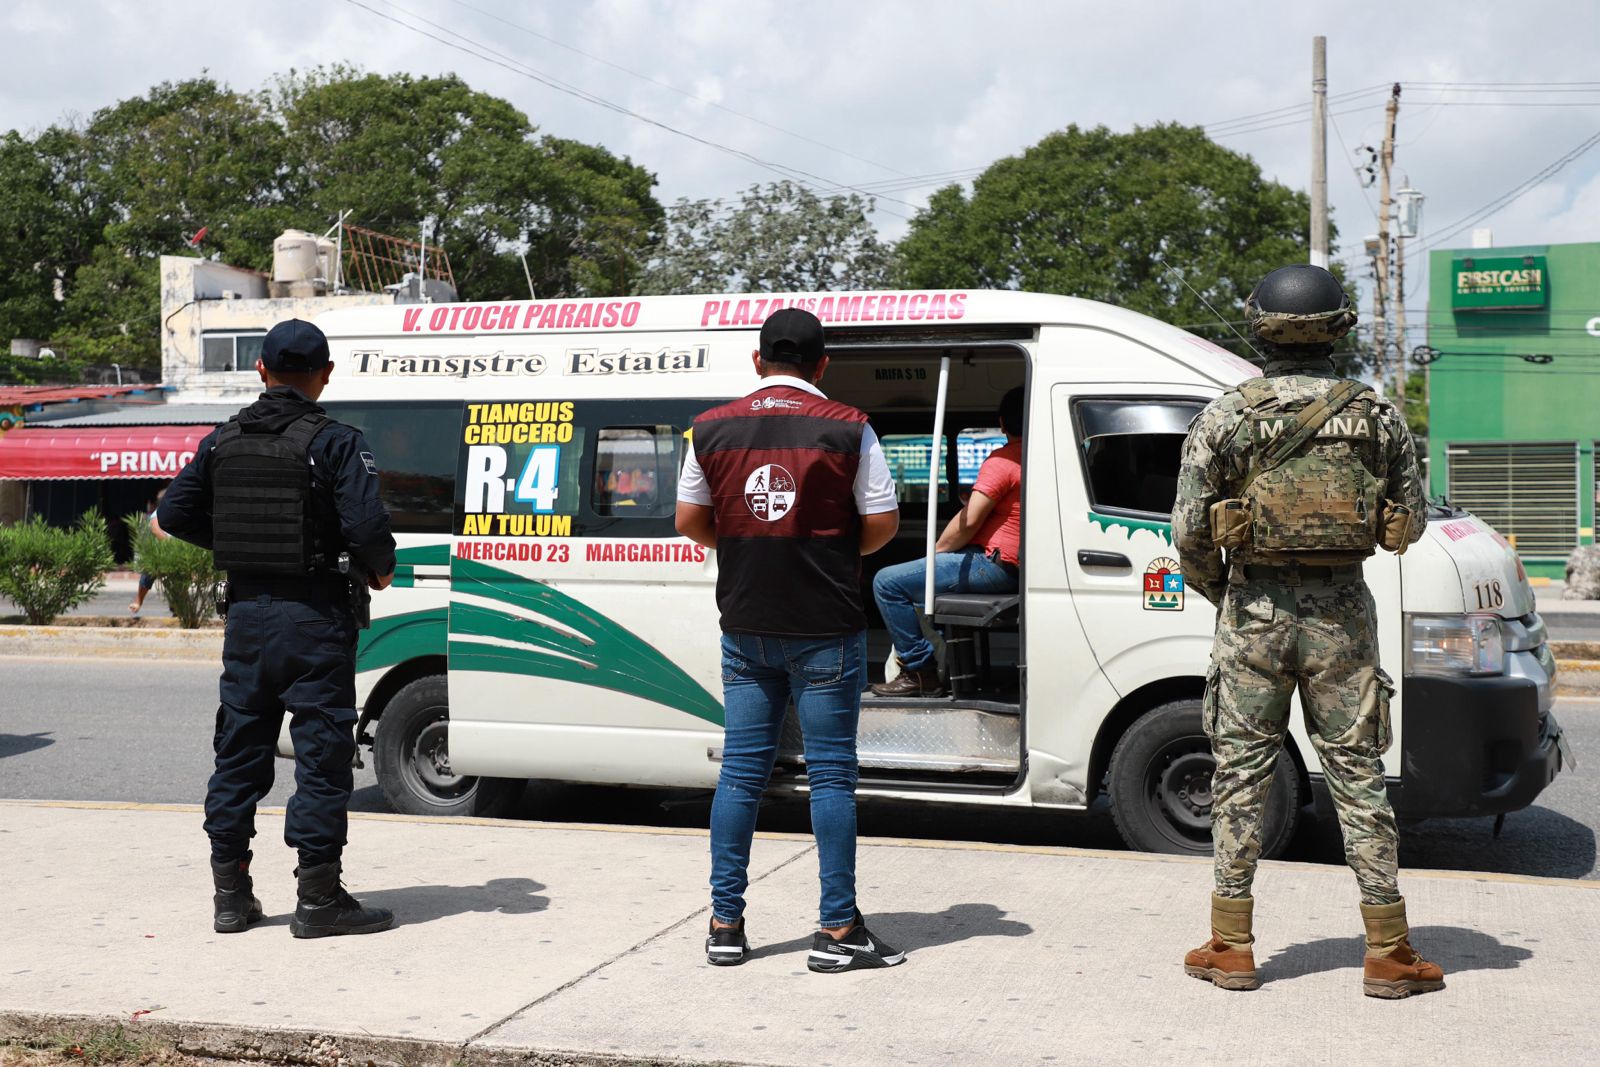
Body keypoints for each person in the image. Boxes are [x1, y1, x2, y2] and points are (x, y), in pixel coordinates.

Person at [1171, 264, 1442, 998]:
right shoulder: (1379, 418)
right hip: (1342, 619)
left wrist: (1230, 591)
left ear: (1259, 328)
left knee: (1239, 777)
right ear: (1338, 329)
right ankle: (1388, 950)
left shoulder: (1226, 415)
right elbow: (1408, 523)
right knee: (1358, 778)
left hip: (1251, 617)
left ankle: (1231, 944)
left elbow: (1189, 532)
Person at [675, 307, 904, 972]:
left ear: (757, 361)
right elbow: (884, 523)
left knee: (742, 774)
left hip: (745, 624)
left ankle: (724, 925)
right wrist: (825, 554)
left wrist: (749, 544)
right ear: (822, 365)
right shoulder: (851, 428)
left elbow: (690, 518)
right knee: (831, 776)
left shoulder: (711, 429)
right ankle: (836, 931)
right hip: (825, 626)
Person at [159, 318, 398, 939]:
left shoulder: (223, 439)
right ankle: (318, 900)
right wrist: (378, 570)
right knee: (321, 757)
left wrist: (237, 547)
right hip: (314, 618)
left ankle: (231, 898)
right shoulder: (338, 441)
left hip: (247, 619)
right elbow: (368, 530)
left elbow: (173, 512)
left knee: (238, 752)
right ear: (325, 375)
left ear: (260, 370)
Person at [869, 387, 1023, 697]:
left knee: (887, 582)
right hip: (1016, 565)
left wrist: (937, 550)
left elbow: (970, 520)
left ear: (1003, 423)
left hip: (995, 565)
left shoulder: (1003, 460)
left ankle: (919, 670)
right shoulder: (1040, 458)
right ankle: (938, 658)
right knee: (918, 582)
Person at [129, 490, 169, 614]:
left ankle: (177, 606)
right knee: (147, 574)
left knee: (178, 581)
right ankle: (139, 600)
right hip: (160, 552)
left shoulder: (179, 511)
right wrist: (172, 544)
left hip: (177, 553)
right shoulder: (156, 514)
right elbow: (156, 530)